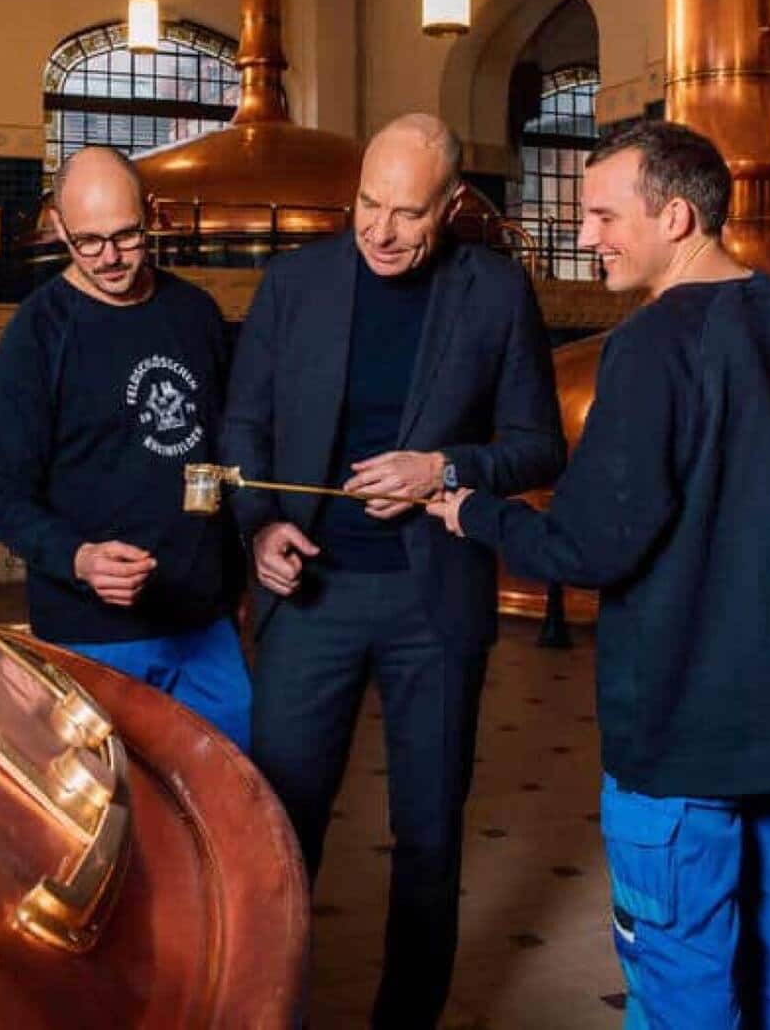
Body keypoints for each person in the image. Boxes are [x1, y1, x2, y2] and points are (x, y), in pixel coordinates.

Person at [429, 120, 770, 1030]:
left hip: (678, 731)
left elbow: (591, 548)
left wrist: (473, 512)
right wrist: (764, 553)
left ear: (676, 216)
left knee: (682, 972)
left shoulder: (648, 347)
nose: (585, 236)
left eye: (603, 216)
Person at [222, 112, 566, 1028]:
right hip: (310, 594)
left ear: (451, 206)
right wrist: (258, 529)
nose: (379, 230)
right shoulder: (294, 283)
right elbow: (243, 430)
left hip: (433, 601)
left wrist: (443, 469)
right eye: (367, 205)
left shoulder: (494, 292)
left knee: (429, 834)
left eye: (406, 214)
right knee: (284, 821)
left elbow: (538, 447)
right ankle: (270, 1007)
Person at [0, 146, 249, 749]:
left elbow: (227, 449)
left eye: (126, 236)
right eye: (88, 242)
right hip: (90, 632)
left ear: (152, 215)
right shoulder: (37, 333)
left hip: (203, 626)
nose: (110, 258)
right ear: (60, 230)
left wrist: (241, 576)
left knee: (230, 799)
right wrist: (79, 559)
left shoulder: (194, 313)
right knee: (119, 811)